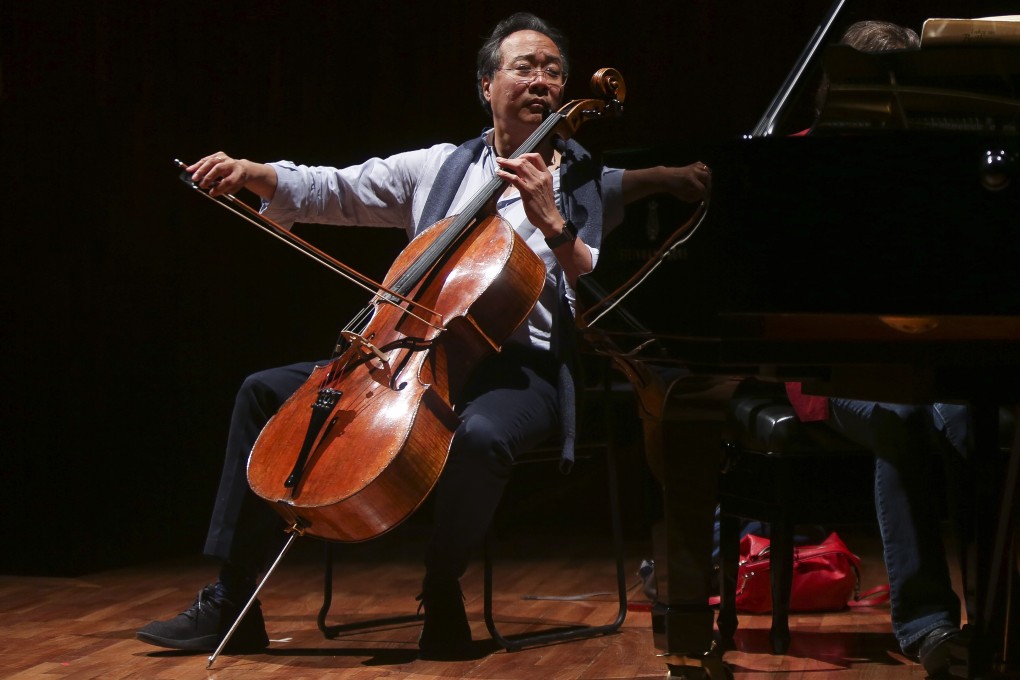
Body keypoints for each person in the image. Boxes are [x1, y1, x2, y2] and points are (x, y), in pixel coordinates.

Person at [136, 11, 709, 660]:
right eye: (525, 66)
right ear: (486, 85)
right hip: (404, 355)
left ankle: (441, 590)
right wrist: (253, 172)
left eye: (554, 70)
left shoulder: (582, 181)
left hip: (523, 372)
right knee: (262, 391)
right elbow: (335, 190)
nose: (543, 80)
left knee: (483, 437)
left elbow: (593, 294)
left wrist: (553, 223)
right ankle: (233, 600)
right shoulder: (438, 167)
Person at [786, 19, 966, 679]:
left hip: (933, 360)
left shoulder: (934, 162)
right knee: (903, 416)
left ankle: (1004, 616)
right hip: (832, 369)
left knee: (987, 419)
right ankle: (928, 625)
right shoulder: (798, 162)